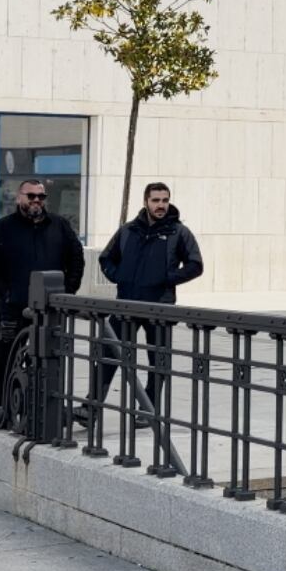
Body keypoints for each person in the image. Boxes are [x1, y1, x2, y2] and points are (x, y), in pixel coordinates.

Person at [0, 179, 85, 429]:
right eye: (31, 196)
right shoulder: (1, 229)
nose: (36, 201)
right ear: (19, 198)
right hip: (12, 310)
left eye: (41, 197)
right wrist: (7, 293)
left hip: (50, 312)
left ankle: (44, 412)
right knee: (4, 360)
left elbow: (76, 259)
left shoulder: (60, 226)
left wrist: (67, 292)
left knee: (49, 361)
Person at [93, 183, 204, 427]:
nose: (161, 205)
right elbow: (106, 258)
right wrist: (118, 275)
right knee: (108, 354)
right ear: (146, 201)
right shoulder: (128, 230)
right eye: (156, 200)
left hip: (160, 308)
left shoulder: (178, 232)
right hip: (126, 307)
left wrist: (167, 277)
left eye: (165, 200)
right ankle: (92, 407)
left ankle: (148, 410)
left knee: (158, 361)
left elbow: (196, 265)